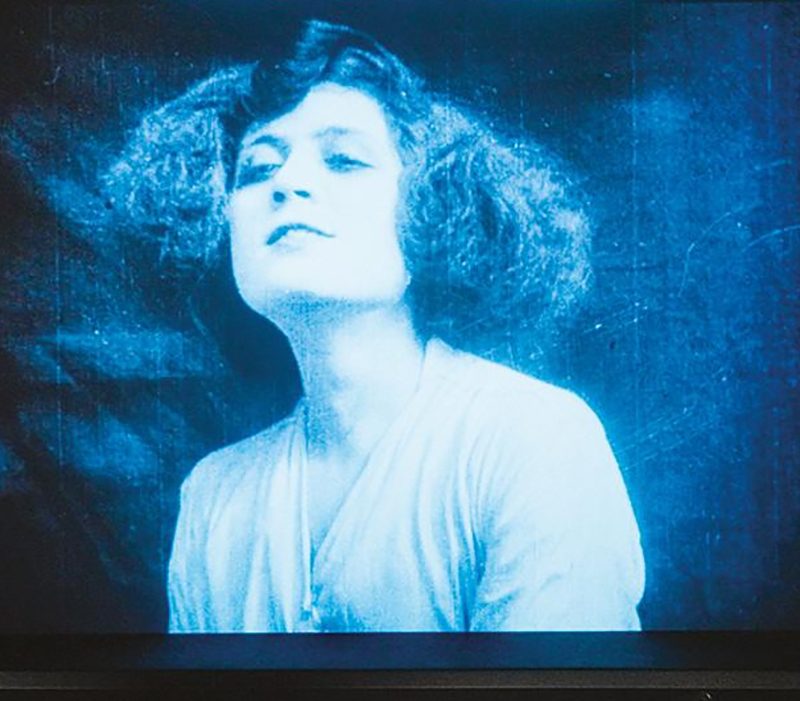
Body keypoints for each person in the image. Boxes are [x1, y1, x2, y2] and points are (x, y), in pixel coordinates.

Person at [111, 20, 645, 632]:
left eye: (343, 160)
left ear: (432, 209)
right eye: (256, 169)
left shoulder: (533, 440)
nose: (288, 183)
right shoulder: (214, 496)